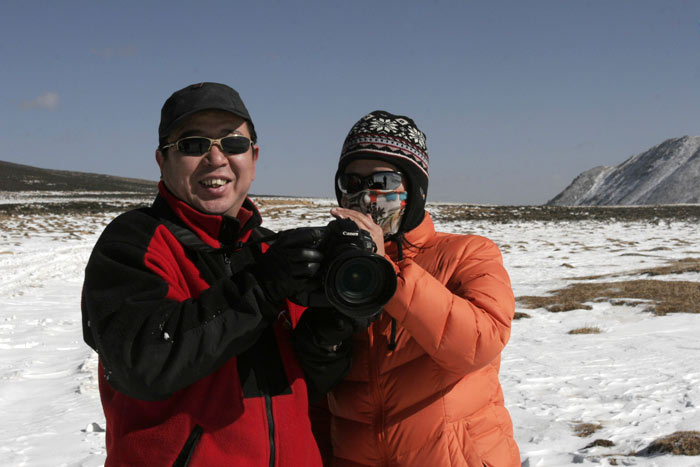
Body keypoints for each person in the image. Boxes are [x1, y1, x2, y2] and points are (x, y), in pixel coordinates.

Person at [81, 82, 351, 466]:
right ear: (162, 160)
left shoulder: (269, 252)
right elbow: (142, 363)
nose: (216, 158)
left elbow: (308, 386)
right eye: (193, 144)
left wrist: (328, 338)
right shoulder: (133, 243)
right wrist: (260, 289)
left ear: (254, 157)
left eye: (233, 143)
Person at [315, 110, 520, 466]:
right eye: (352, 182)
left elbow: (480, 343)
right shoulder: (334, 267)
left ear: (415, 188)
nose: (366, 196)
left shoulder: (467, 253)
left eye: (382, 180)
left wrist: (390, 276)